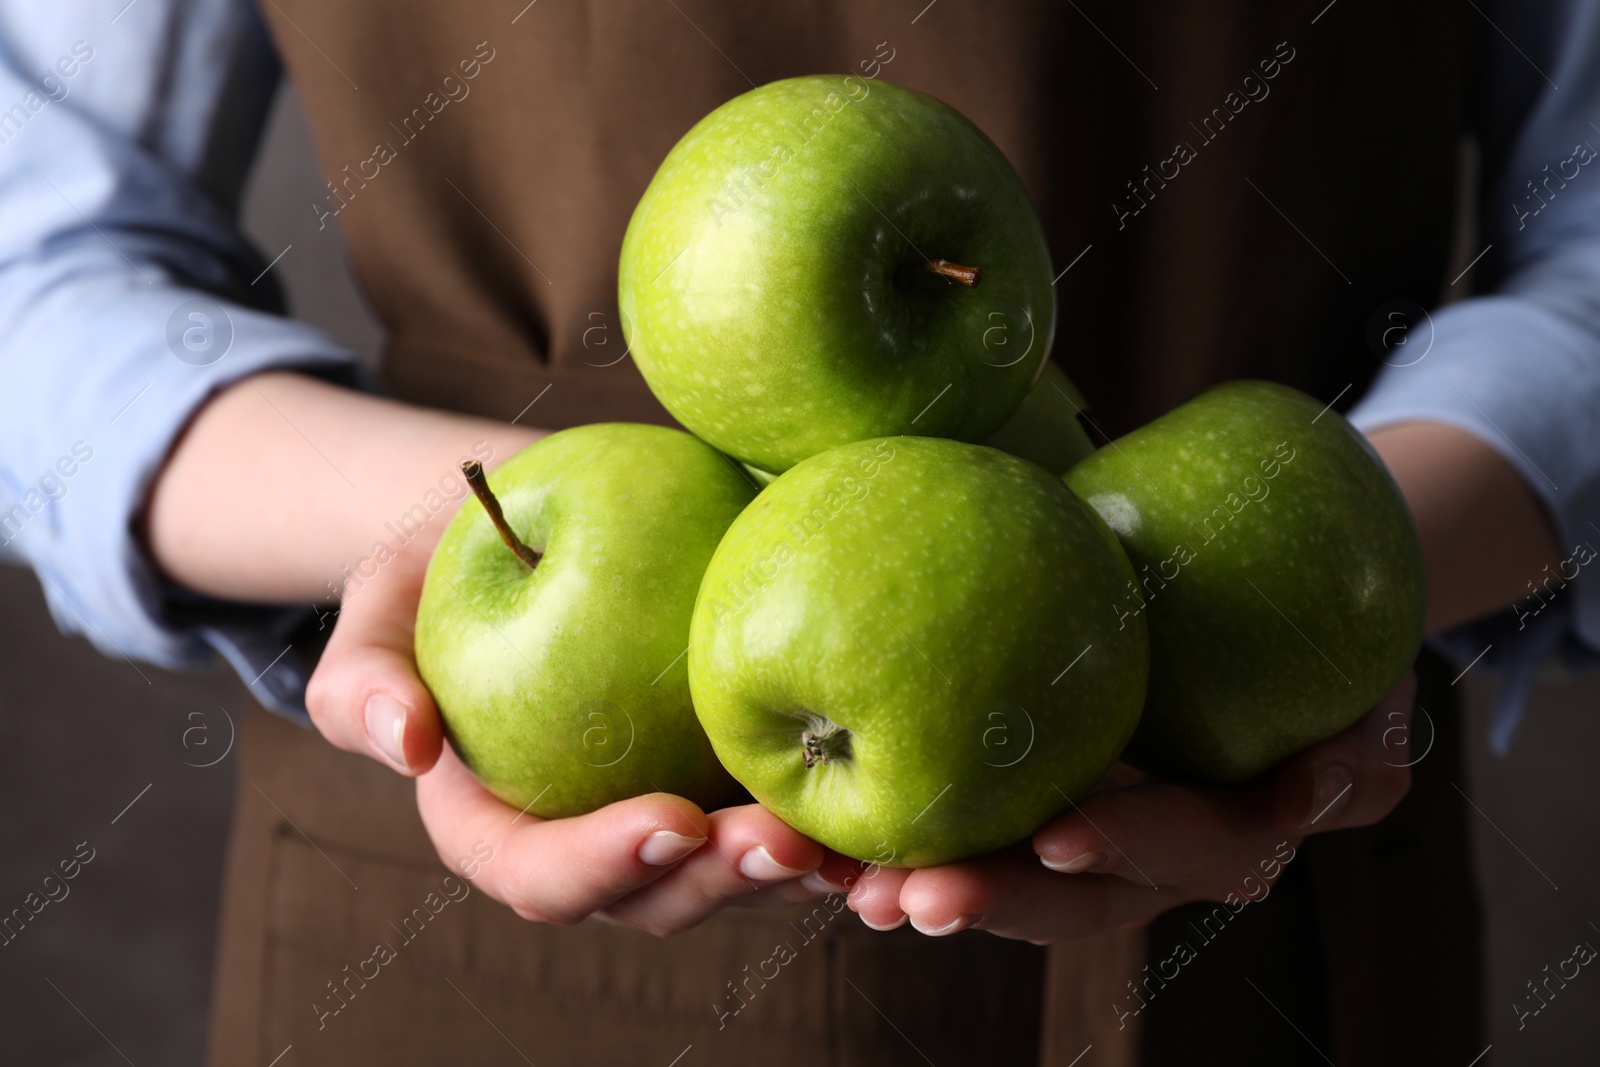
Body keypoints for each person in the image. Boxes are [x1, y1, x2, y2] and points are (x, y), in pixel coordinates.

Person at [2, 1, 1597, 1062]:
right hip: (485, 935)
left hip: (1278, 900)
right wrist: (432, 519)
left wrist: (1328, 575)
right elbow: (31, 268)